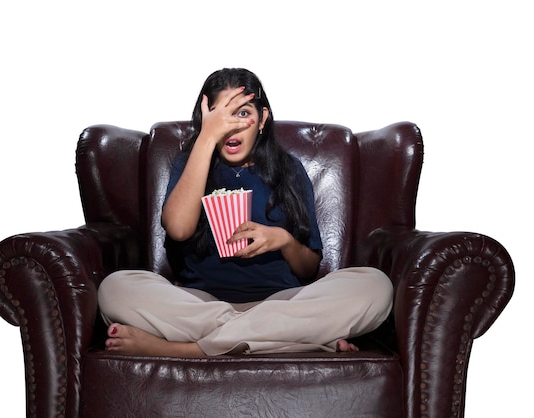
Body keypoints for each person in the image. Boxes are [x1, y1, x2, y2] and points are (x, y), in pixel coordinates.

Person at [97, 68, 393, 357]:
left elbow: (308, 269)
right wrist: (205, 139)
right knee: (114, 288)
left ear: (262, 119)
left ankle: (189, 349)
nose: (231, 126)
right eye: (219, 115)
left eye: (242, 113)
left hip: (280, 302)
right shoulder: (190, 164)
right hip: (200, 304)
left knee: (375, 286)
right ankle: (292, 339)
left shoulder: (289, 170)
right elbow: (178, 229)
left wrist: (284, 241)